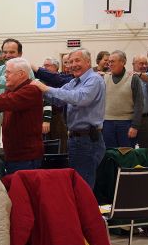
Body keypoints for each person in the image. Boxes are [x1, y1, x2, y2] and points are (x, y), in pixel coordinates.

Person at [31, 48, 106, 189]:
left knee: (83, 184)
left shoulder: (94, 80)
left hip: (88, 140)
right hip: (76, 139)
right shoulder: (74, 82)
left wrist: (45, 88)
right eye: (70, 62)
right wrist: (35, 89)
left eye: (77, 60)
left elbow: (79, 98)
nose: (73, 64)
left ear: (88, 62)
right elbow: (59, 99)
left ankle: (86, 211)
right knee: (77, 181)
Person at [103, 50, 143, 149]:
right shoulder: (104, 77)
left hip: (126, 124)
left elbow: (139, 104)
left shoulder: (133, 78)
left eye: (113, 61)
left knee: (126, 157)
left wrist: (135, 126)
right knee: (110, 156)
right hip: (107, 123)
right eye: (109, 61)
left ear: (123, 62)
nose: (110, 64)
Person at [132, 55, 148, 157]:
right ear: (133, 65)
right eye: (140, 63)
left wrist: (138, 74)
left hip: (147, 119)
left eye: (145, 63)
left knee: (147, 151)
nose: (144, 66)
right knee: (129, 150)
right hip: (131, 118)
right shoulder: (129, 78)